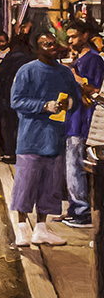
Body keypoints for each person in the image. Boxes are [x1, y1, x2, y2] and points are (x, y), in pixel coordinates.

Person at [10, 31, 83, 247]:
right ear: (36, 48)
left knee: (50, 186)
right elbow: (16, 101)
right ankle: (22, 228)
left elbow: (76, 99)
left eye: (53, 43)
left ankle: (41, 228)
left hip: (56, 137)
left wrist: (68, 104)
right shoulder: (27, 71)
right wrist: (44, 106)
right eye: (46, 44)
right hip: (31, 138)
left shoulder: (65, 73)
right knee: (26, 183)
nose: (51, 47)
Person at [62, 21, 103, 228]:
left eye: (74, 36)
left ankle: (81, 211)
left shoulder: (94, 59)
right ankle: (73, 208)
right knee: (71, 165)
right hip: (72, 118)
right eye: (68, 37)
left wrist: (74, 76)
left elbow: (94, 90)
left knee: (75, 164)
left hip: (82, 120)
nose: (70, 41)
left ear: (86, 35)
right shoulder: (78, 58)